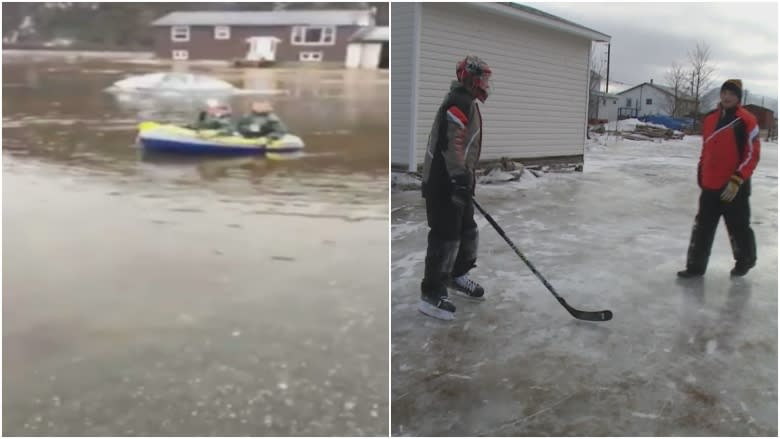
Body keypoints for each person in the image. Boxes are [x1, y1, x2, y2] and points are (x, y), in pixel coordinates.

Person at [418, 55, 492, 321]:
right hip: (443, 183)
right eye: (482, 78)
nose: (485, 83)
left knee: (467, 231)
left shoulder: (467, 101)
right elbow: (453, 143)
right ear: (469, 78)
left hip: (458, 181)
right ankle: (431, 292)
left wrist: (465, 180)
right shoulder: (458, 101)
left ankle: (457, 275)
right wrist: (458, 177)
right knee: (445, 237)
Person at [678, 79, 761, 279]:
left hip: (735, 187)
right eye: (724, 92)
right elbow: (707, 148)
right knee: (702, 229)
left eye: (732, 94)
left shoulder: (746, 120)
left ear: (738, 98)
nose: (727, 97)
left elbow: (752, 154)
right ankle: (695, 267)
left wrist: (737, 178)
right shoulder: (710, 119)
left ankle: (745, 261)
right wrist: (701, 169)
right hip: (710, 185)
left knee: (738, 227)